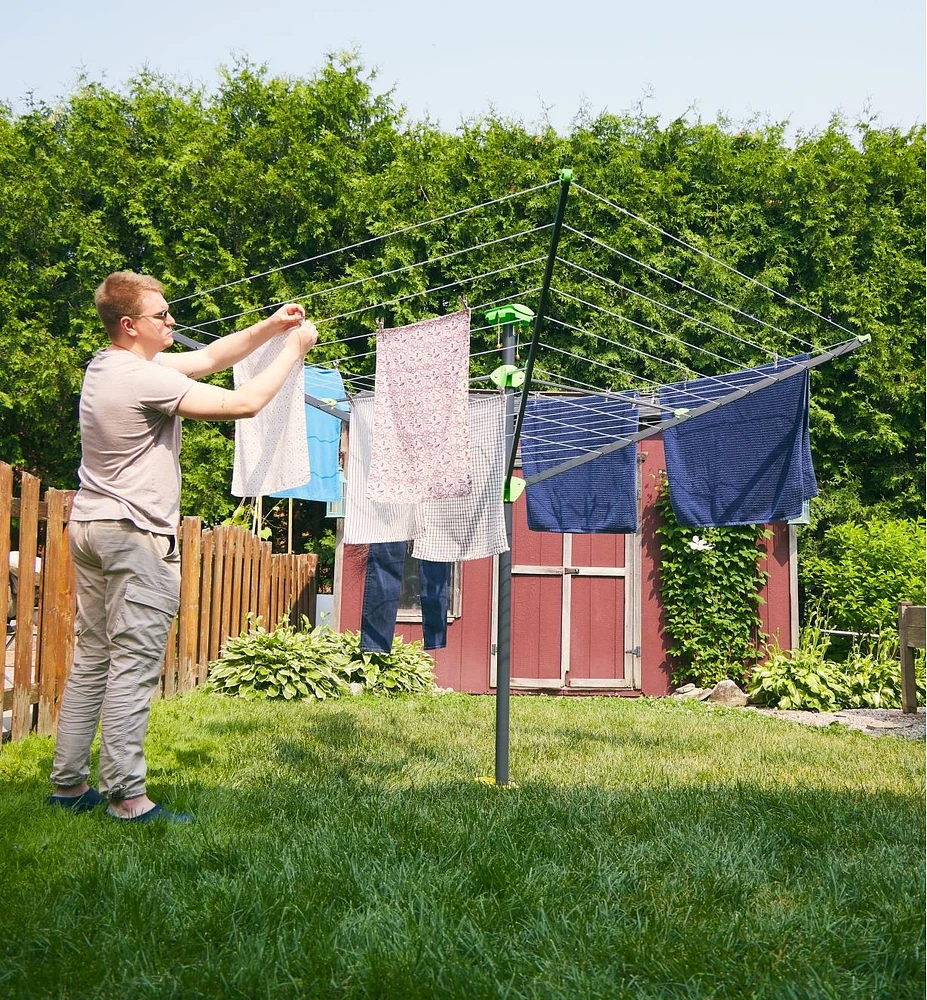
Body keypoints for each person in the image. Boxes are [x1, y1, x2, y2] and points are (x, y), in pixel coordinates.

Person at [47, 271, 318, 823]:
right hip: (134, 537)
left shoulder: (111, 365)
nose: (172, 322)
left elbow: (214, 357)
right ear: (130, 325)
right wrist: (295, 347)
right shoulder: (142, 379)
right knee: (134, 664)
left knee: (95, 657)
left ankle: (69, 787)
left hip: (92, 527)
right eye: (161, 316)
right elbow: (245, 404)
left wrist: (270, 326)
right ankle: (127, 796)